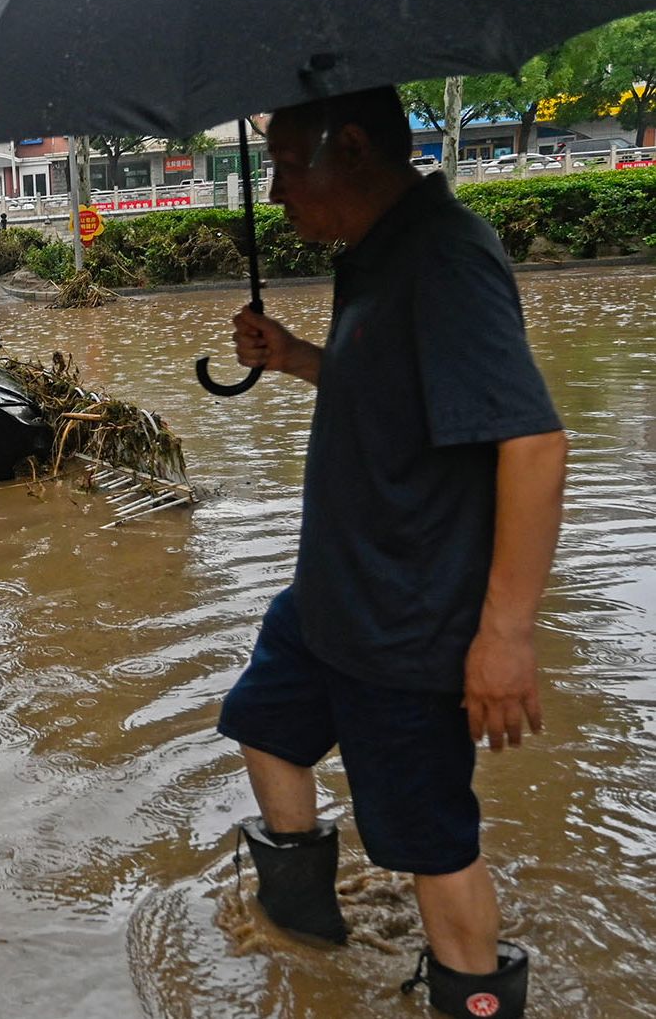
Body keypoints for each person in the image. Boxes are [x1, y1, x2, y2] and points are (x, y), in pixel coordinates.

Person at [218, 86, 567, 1018]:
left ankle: (475, 999)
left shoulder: (443, 257)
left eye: (290, 165)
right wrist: (296, 358)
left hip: (407, 617)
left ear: (356, 149)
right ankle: (302, 938)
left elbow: (532, 442)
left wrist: (505, 635)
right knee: (264, 724)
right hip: (331, 596)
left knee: (428, 842)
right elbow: (398, 390)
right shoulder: (373, 256)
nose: (278, 190)